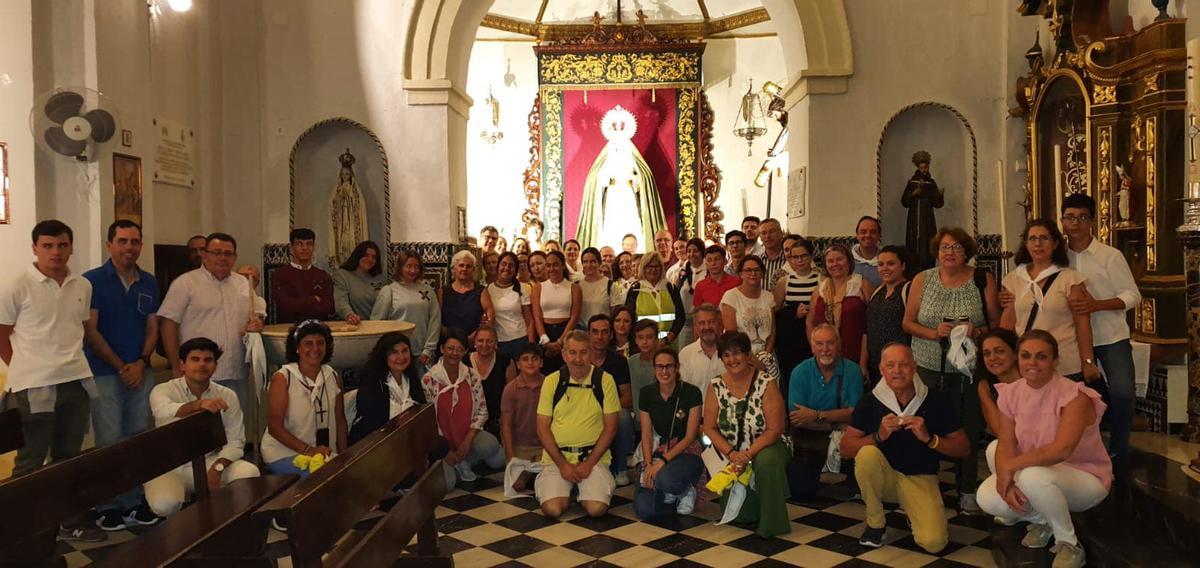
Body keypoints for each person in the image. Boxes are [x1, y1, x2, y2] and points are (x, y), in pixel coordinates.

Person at [0, 220, 104, 543]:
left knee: (69, 457)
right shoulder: (17, 284)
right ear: (35, 248)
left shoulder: (82, 285)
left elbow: (80, 330)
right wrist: (25, 368)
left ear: (71, 247)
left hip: (75, 381)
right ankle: (18, 530)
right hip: (33, 387)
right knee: (31, 460)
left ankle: (69, 521)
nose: (55, 252)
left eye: (62, 245)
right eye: (47, 246)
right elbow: (2, 333)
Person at [976, 331, 1112, 568]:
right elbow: (1006, 442)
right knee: (987, 498)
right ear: (1018, 358)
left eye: (1041, 356)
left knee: (1032, 476)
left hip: (1085, 478)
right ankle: (1043, 519)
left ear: (1055, 360)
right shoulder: (1011, 393)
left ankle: (1069, 544)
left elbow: (1061, 450)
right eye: (1026, 356)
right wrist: (1005, 483)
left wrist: (1010, 468)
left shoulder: (1074, 396)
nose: (1032, 363)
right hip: (1040, 473)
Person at [902, 227, 999, 514]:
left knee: (967, 427)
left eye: (957, 247)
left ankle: (967, 488)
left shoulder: (982, 279)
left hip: (968, 369)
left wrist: (976, 330)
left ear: (966, 251)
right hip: (928, 366)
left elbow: (997, 323)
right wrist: (934, 333)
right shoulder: (924, 279)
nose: (950, 252)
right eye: (945, 247)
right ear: (937, 251)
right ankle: (922, 486)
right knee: (922, 425)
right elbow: (907, 323)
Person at [840, 343, 970, 552]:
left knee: (934, 543)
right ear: (881, 370)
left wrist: (930, 439)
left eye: (903, 364)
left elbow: (963, 448)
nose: (897, 371)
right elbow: (846, 449)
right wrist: (878, 436)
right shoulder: (870, 402)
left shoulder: (935, 400)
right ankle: (875, 523)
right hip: (885, 478)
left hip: (921, 477)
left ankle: (913, 511)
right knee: (867, 454)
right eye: (890, 365)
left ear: (915, 367)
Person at [82, 220, 162, 530]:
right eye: (123, 241)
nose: (129, 247)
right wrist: (120, 366)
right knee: (109, 440)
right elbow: (91, 331)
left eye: (135, 241)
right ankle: (107, 504)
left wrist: (141, 361)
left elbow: (153, 327)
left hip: (141, 372)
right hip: (104, 373)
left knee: (138, 437)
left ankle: (133, 501)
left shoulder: (149, 282)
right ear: (109, 245)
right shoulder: (92, 281)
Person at [1060, 193, 1139, 459]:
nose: (1076, 223)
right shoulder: (1058, 258)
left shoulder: (1110, 256)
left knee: (1123, 392)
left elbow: (1132, 295)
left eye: (1082, 217)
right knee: (1075, 399)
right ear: (1062, 221)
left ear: (1091, 221)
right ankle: (1080, 451)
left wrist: (1097, 305)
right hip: (1071, 338)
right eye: (1070, 217)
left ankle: (1118, 450)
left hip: (1109, 335)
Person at [144, 338, 261, 517]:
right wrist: (199, 405)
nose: (202, 365)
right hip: (169, 466)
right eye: (195, 359)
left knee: (249, 473)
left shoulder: (227, 395)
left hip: (209, 462)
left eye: (208, 360)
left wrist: (218, 467)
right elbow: (163, 412)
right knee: (165, 504)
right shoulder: (162, 390)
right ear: (182, 365)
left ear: (215, 366)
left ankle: (225, 523)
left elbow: (236, 440)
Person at [159, 232, 262, 430]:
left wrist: (257, 324)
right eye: (217, 252)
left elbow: (255, 316)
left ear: (235, 258)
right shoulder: (185, 283)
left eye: (228, 253)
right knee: (201, 432)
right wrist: (174, 365)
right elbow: (168, 324)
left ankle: (229, 460)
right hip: (200, 374)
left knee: (234, 429)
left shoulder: (243, 284)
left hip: (236, 371)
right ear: (205, 255)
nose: (222, 258)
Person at [702, 331, 791, 538]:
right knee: (742, 516)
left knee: (766, 461)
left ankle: (773, 524)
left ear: (748, 354)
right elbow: (709, 428)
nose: (732, 360)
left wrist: (748, 454)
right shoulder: (715, 385)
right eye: (726, 355)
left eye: (737, 354)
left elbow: (775, 429)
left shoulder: (766, 383)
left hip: (767, 447)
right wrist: (732, 454)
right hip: (732, 453)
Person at [535, 331, 621, 518]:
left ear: (591, 353)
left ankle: (582, 488)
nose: (578, 359)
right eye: (572, 353)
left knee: (596, 509)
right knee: (552, 510)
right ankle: (568, 487)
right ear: (564, 354)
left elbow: (611, 427)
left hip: (593, 458)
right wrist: (563, 465)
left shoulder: (605, 380)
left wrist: (589, 464)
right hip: (557, 459)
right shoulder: (551, 381)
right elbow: (542, 428)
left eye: (583, 352)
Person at [1000, 220, 1099, 382]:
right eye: (1032, 239)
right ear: (1026, 244)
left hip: (1064, 363)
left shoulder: (1071, 279)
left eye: (1044, 238)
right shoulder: (1013, 279)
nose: (1038, 244)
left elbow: (1082, 324)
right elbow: (1007, 324)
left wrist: (1088, 361)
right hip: (1028, 363)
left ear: (1055, 244)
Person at [260, 321, 347, 479]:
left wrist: (344, 456)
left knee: (346, 473)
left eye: (320, 343)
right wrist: (309, 450)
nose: (315, 349)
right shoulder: (284, 377)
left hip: (322, 453)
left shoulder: (332, 376)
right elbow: (274, 428)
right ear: (297, 348)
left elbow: (340, 421)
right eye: (308, 343)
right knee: (325, 477)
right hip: (283, 452)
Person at [787, 324, 864, 500]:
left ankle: (853, 479)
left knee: (860, 483)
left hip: (847, 436)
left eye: (830, 343)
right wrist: (837, 422)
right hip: (810, 438)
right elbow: (797, 419)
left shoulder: (852, 371)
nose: (825, 349)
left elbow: (855, 413)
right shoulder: (800, 372)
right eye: (819, 344)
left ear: (839, 344)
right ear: (812, 347)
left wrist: (816, 415)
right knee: (800, 490)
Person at [421, 332, 506, 486]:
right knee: (448, 484)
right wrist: (445, 451)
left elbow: (482, 411)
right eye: (450, 348)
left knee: (495, 453)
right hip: (441, 440)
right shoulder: (429, 379)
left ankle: (465, 459)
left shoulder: (471, 375)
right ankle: (453, 462)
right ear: (441, 349)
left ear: (465, 351)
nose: (454, 353)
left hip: (466, 434)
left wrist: (467, 441)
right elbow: (427, 421)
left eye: (459, 349)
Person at [635, 347, 704, 519]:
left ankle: (685, 489)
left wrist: (662, 462)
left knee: (666, 479)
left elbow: (690, 436)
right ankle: (667, 490)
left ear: (677, 368)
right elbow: (646, 434)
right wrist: (649, 464)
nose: (664, 371)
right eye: (659, 366)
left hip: (686, 451)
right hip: (659, 450)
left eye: (669, 366)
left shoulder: (691, 393)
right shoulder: (647, 393)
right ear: (654, 368)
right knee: (645, 510)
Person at [347, 331, 425, 444]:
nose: (401, 357)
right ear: (384, 355)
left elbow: (421, 413)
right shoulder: (372, 382)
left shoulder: (413, 380)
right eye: (394, 352)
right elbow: (371, 424)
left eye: (405, 351)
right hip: (376, 445)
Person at [586, 314, 636, 486]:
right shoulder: (579, 360)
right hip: (582, 412)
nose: (600, 337)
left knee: (623, 417)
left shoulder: (619, 362)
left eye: (604, 332)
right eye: (595, 332)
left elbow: (628, 398)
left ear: (611, 335)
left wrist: (604, 411)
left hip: (611, 412)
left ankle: (621, 468)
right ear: (588, 334)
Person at [371, 251, 441, 373]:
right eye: (408, 266)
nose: (413, 270)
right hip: (397, 355)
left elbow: (435, 320)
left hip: (422, 354)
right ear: (400, 267)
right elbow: (377, 324)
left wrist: (429, 349)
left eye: (416, 266)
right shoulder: (390, 291)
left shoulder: (428, 291)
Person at [809, 244, 872, 369]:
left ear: (849, 261)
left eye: (839, 259)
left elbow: (871, 325)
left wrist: (863, 362)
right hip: (824, 354)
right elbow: (811, 322)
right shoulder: (820, 289)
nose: (835, 264)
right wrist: (816, 349)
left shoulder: (861, 284)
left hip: (855, 354)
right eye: (830, 261)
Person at [721, 256, 777, 376]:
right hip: (740, 358)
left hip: (767, 359)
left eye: (757, 270)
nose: (753, 274)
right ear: (740, 274)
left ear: (762, 273)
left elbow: (772, 331)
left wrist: (765, 358)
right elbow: (732, 337)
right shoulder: (731, 297)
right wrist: (754, 361)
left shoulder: (768, 297)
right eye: (748, 270)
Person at [773, 238, 819, 385]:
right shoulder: (784, 281)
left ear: (811, 257)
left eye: (804, 256)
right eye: (795, 257)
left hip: (814, 335)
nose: (799, 260)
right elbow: (775, 312)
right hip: (791, 340)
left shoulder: (822, 279)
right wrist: (793, 312)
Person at [864, 245, 911, 385]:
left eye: (891, 264)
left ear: (902, 266)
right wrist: (863, 363)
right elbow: (868, 330)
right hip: (876, 366)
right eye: (881, 264)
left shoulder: (909, 290)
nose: (885, 268)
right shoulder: (877, 291)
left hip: (899, 367)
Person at [501, 344, 545, 492]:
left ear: (541, 362)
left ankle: (538, 473)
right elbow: (506, 425)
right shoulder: (510, 389)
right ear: (518, 365)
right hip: (520, 446)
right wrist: (510, 455)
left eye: (534, 358)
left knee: (548, 484)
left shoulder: (549, 385)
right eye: (525, 359)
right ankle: (528, 472)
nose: (530, 362)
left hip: (544, 446)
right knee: (517, 485)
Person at [270, 228, 336, 324]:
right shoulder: (280, 275)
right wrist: (313, 300)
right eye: (299, 244)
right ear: (292, 248)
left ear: (314, 247)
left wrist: (299, 303)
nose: (305, 248)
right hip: (290, 329)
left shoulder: (323, 276)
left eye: (309, 244)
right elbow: (285, 306)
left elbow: (330, 308)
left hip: (318, 329)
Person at [532, 250, 582, 373]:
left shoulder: (574, 288)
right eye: (548, 265)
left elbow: (575, 317)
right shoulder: (538, 287)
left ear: (563, 265)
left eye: (555, 264)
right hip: (545, 333)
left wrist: (560, 342)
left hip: (565, 332)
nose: (552, 268)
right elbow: (537, 316)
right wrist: (545, 340)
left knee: (566, 372)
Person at [624, 253, 686, 347]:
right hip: (643, 346)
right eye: (649, 266)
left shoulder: (670, 288)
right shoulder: (635, 290)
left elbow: (680, 317)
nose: (653, 270)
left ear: (661, 268)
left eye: (656, 266)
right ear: (643, 268)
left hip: (668, 345)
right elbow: (629, 320)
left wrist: (669, 337)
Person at [485, 252, 536, 360]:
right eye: (503, 264)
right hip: (499, 341)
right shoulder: (488, 289)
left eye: (511, 265)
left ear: (516, 269)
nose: (507, 268)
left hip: (521, 339)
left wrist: (531, 346)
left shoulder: (522, 288)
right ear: (498, 266)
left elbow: (530, 321)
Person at [466, 325, 514, 437]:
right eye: (480, 340)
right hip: (469, 424)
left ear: (496, 343)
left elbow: (512, 396)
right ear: (474, 342)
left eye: (489, 341)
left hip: (498, 424)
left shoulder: (505, 362)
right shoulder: (464, 362)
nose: (484, 345)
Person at [903, 151, 945, 270]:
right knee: (915, 243)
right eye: (921, 168)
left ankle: (929, 265)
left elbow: (937, 204)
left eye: (925, 167)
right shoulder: (912, 183)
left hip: (927, 219)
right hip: (914, 219)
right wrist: (913, 194)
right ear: (917, 167)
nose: (924, 170)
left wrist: (940, 195)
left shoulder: (931, 183)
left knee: (928, 242)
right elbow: (904, 202)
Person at [976, 328, 1021, 436]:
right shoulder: (985, 386)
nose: (992, 358)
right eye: (986, 354)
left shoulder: (1032, 380)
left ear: (1015, 353)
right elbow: (1000, 431)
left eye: (999, 351)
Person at [439, 250, 491, 343]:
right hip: (448, 343)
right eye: (461, 265)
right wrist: (452, 340)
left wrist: (473, 337)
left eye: (468, 266)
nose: (464, 269)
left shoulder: (481, 291)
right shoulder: (442, 291)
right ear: (454, 268)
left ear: (473, 270)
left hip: (475, 342)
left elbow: (490, 318)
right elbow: (436, 320)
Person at [331, 240, 387, 324]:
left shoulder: (379, 279)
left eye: (374, 257)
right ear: (358, 255)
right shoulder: (342, 275)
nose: (370, 259)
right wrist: (349, 315)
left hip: (378, 326)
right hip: (354, 326)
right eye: (366, 255)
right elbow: (340, 301)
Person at [668, 238, 707, 347]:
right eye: (689, 251)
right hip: (685, 318)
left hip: (703, 317)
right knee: (684, 350)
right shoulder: (683, 271)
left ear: (702, 252)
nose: (692, 254)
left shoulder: (708, 270)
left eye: (695, 251)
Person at [679, 304, 726, 392]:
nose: (707, 327)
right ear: (695, 327)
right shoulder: (685, 354)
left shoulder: (732, 353)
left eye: (712, 322)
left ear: (720, 324)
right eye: (702, 323)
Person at [577, 247, 612, 326]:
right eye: (585, 262)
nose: (589, 265)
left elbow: (614, 313)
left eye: (592, 261)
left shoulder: (610, 285)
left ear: (599, 263)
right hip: (582, 331)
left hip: (602, 331)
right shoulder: (577, 286)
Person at [851, 216, 883, 287]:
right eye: (863, 232)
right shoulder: (846, 260)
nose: (868, 235)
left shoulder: (888, 260)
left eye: (873, 232)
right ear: (857, 235)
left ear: (879, 235)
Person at [758, 219, 788, 292]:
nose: (768, 236)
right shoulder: (757, 261)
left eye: (772, 232)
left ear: (781, 234)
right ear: (760, 238)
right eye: (764, 233)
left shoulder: (790, 259)